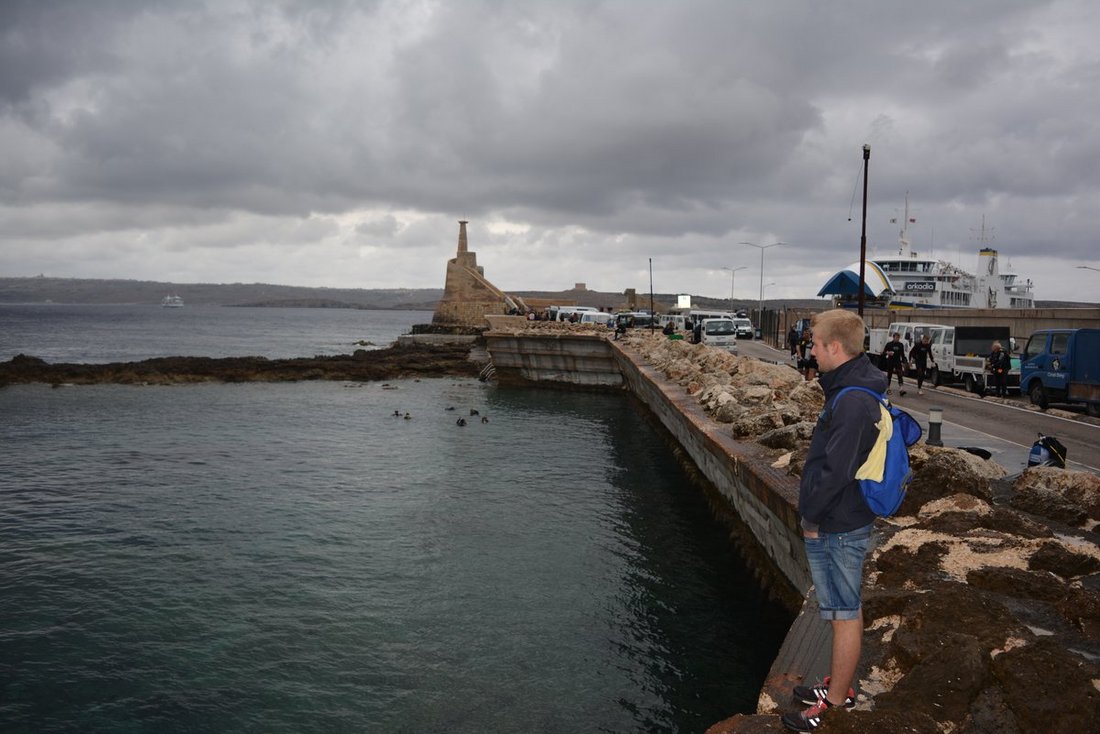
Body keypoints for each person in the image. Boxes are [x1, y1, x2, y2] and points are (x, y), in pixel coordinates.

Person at [782, 309, 884, 733]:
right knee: (843, 610)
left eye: (816, 345)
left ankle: (837, 702)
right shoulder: (851, 389)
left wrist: (811, 517)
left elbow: (835, 471)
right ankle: (839, 686)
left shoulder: (852, 401)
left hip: (839, 524)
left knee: (844, 614)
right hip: (843, 517)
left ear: (835, 347)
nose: (812, 351)